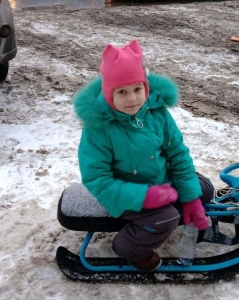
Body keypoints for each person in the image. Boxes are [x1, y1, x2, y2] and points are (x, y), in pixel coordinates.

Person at [73, 39, 214, 272]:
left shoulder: (155, 112)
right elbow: (97, 179)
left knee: (204, 189)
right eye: (122, 92)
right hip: (123, 192)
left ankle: (174, 208)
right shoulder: (99, 127)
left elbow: (177, 152)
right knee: (164, 218)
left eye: (138, 89)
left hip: (160, 178)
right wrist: (143, 197)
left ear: (146, 87)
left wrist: (190, 196)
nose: (132, 99)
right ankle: (129, 247)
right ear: (109, 93)